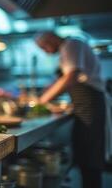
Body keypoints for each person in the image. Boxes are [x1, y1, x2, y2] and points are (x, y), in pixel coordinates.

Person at [35, 32, 108, 188]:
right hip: (85, 105)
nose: (45, 51)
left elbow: (71, 77)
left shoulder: (71, 45)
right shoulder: (69, 47)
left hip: (90, 105)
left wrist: (43, 99)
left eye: (44, 47)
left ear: (51, 38)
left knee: (90, 156)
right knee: (85, 152)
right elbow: (65, 78)